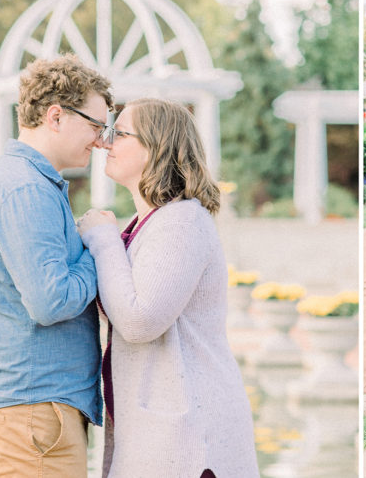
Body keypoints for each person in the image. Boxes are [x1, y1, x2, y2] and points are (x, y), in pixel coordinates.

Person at [77, 98, 259, 477]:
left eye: (119, 133)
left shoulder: (182, 222)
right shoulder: (153, 221)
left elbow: (140, 321)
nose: (106, 143)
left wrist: (103, 238)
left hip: (190, 435)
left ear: (156, 146)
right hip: (160, 430)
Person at [0, 54, 114, 476]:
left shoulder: (29, 183)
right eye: (96, 125)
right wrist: (99, 247)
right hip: (29, 409)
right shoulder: (25, 188)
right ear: (56, 116)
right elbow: (52, 301)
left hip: (32, 408)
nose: (102, 140)